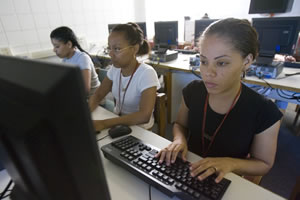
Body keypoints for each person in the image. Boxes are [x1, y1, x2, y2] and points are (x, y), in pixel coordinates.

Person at [156, 18, 283, 183]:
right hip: (189, 170)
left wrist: (230, 163)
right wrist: (179, 140)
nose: (209, 72)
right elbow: (181, 125)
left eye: (221, 63)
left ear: (247, 61)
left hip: (225, 179)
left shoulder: (265, 111)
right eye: (203, 61)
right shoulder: (193, 91)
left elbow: (264, 163)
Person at [89, 22, 160, 131]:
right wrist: (84, 115)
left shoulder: (147, 73)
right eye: (109, 48)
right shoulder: (115, 69)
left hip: (139, 129)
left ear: (134, 49)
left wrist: (104, 124)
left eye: (117, 49)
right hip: (117, 122)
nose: (111, 54)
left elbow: (144, 116)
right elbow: (98, 95)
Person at [50, 26, 100, 98]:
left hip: (95, 100)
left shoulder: (82, 58)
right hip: (80, 98)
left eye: (57, 46)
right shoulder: (65, 60)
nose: (54, 50)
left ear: (69, 44)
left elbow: (85, 90)